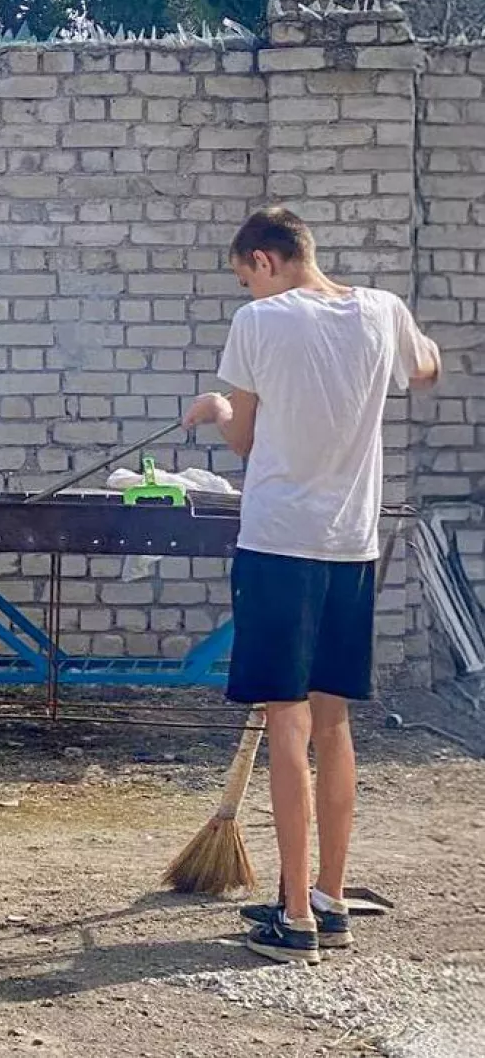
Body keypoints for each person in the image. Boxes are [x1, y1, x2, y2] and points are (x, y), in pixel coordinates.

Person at [183, 207, 440, 965]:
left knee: (287, 726)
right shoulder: (382, 310)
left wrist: (217, 408)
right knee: (334, 723)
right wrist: (421, 346)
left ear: (264, 260)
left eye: (244, 277)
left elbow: (247, 438)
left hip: (278, 541)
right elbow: (425, 369)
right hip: (351, 546)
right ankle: (329, 899)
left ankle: (293, 919)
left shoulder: (259, 323)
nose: (246, 290)